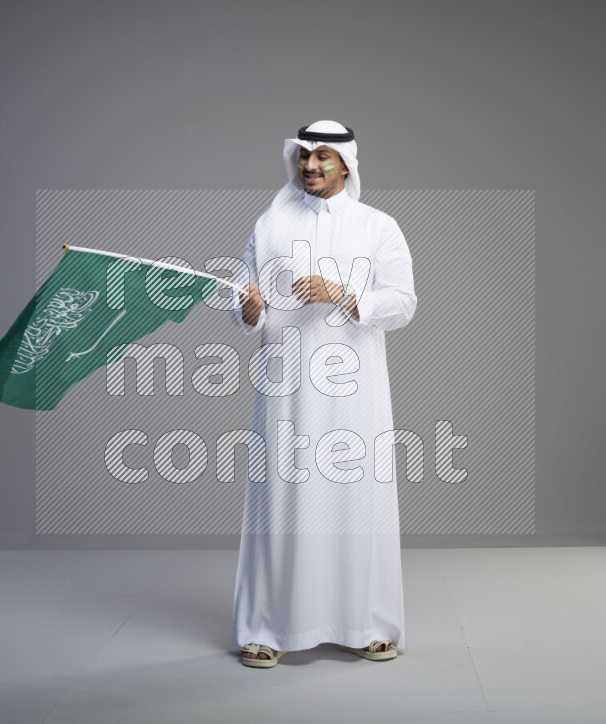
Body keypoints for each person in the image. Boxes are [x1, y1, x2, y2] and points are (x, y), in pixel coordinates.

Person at [230, 120, 417, 668]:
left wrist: (346, 294)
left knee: (357, 498)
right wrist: (248, 309)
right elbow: (246, 302)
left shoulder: (378, 227)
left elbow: (404, 303)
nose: (308, 167)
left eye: (321, 159)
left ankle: (367, 623)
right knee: (280, 501)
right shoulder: (268, 226)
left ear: (346, 165)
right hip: (285, 387)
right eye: (303, 158)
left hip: (354, 391)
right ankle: (266, 627)